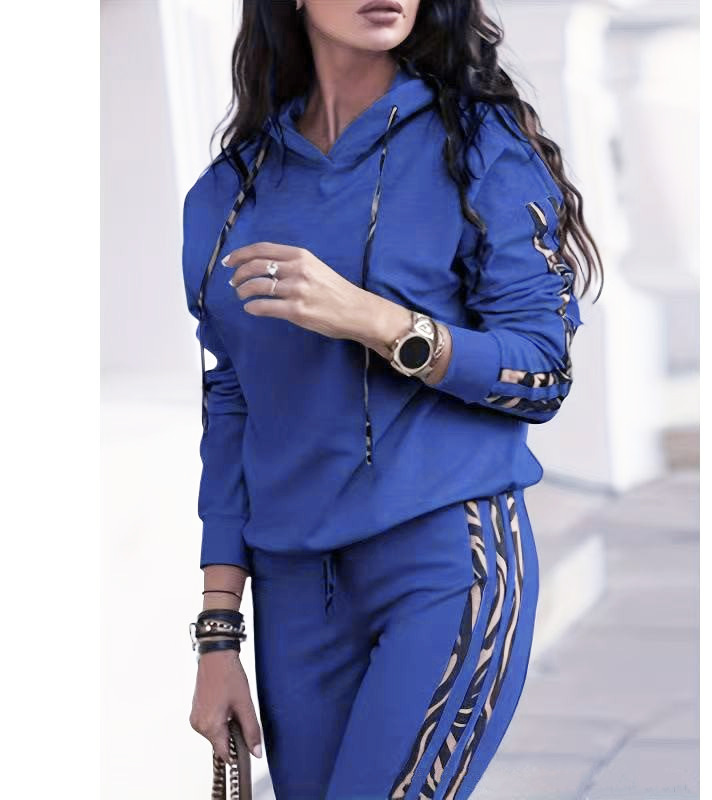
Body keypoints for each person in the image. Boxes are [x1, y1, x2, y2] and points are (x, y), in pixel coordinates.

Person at [186, 1, 603, 798]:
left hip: (443, 559)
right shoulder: (226, 196)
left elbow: (543, 370)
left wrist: (375, 321)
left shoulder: (478, 147)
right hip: (294, 591)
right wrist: (218, 635)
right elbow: (232, 410)